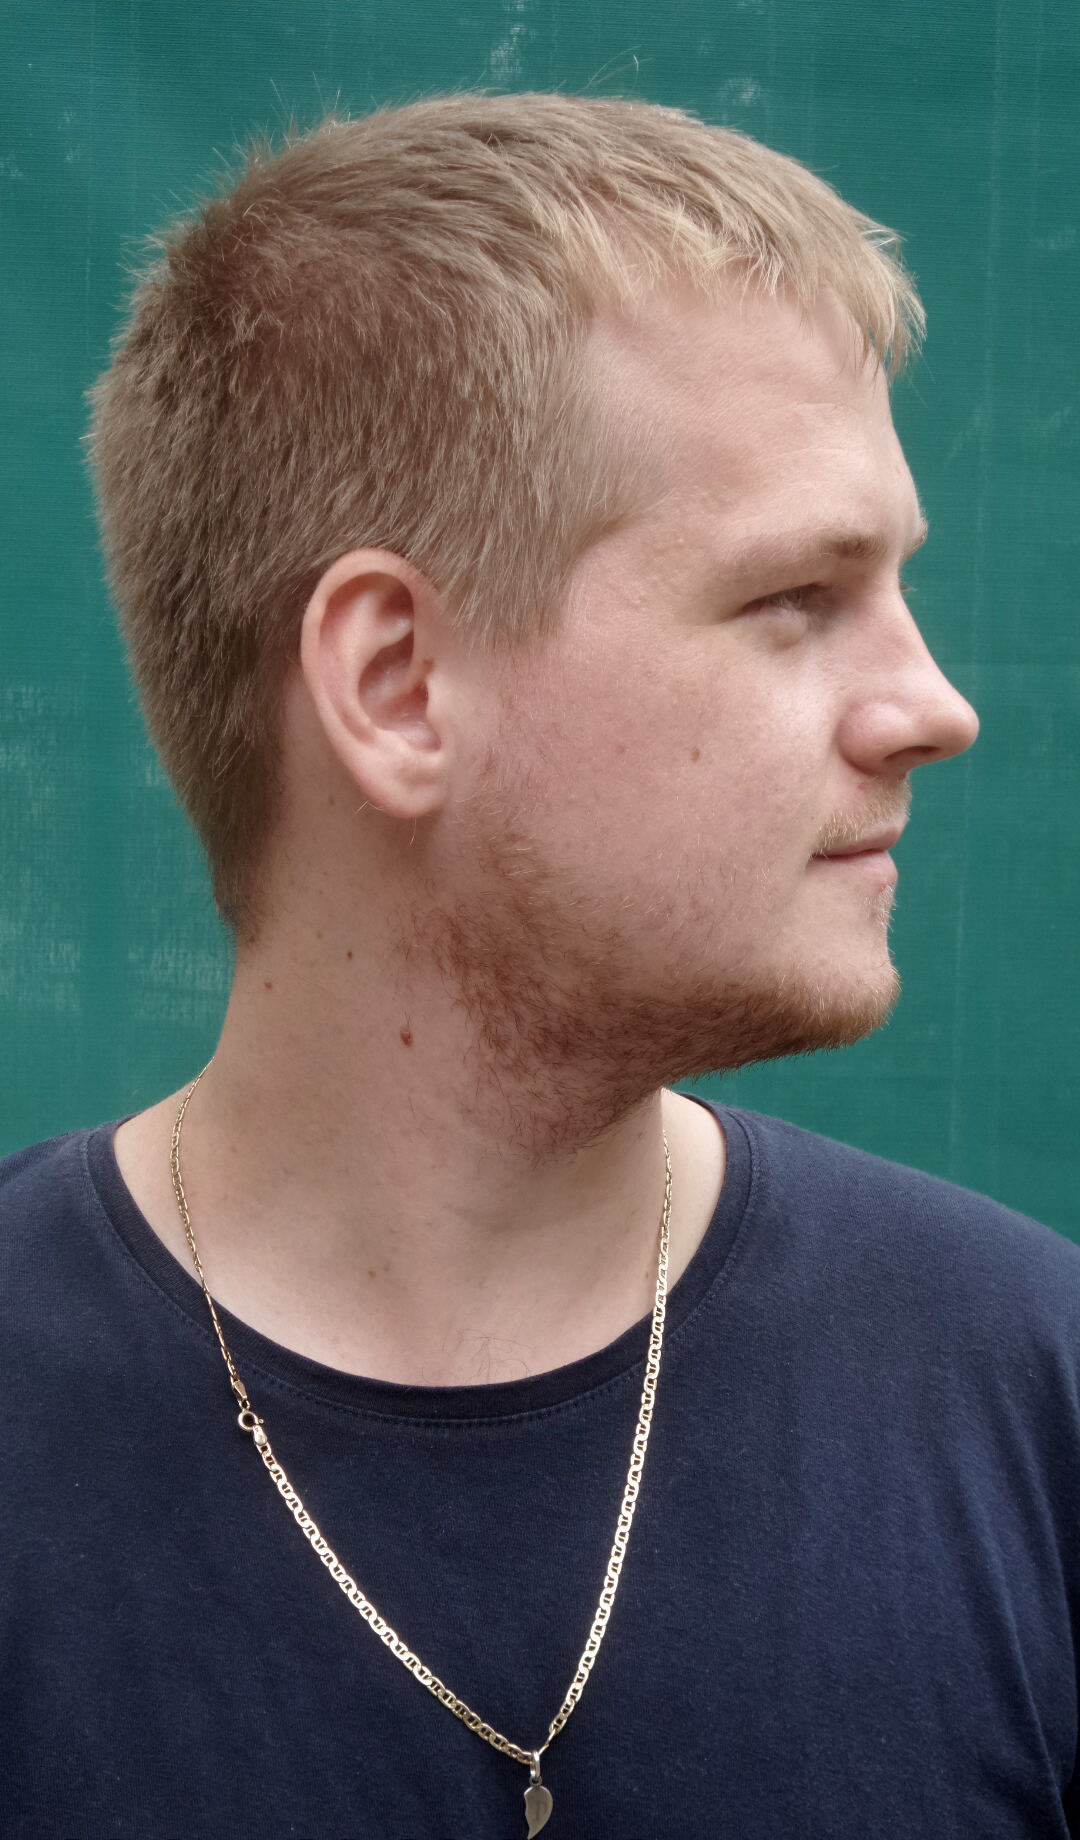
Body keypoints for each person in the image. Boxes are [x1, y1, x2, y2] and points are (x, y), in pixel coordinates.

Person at [1, 93, 1077, 1840]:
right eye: (796, 599)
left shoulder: (1032, 1390)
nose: (932, 706)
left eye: (897, 587)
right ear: (397, 684)